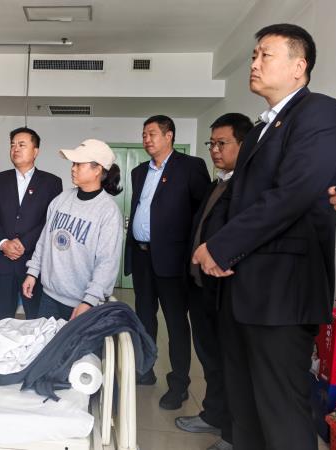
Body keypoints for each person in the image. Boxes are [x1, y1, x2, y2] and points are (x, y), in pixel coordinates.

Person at [192, 24, 336, 450]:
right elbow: (236, 200)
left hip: (282, 294)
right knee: (246, 410)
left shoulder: (319, 112)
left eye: (265, 55)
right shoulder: (260, 131)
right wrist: (208, 249)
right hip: (242, 292)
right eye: (254, 55)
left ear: (299, 66)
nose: (254, 63)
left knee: (281, 411)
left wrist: (220, 247)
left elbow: (292, 194)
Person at [175, 113, 253, 450]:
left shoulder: (246, 188)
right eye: (212, 143)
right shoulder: (217, 183)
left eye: (222, 143)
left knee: (231, 364)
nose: (215, 150)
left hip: (226, 292)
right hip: (202, 288)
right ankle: (213, 414)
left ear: (244, 144)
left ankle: (234, 435)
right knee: (209, 358)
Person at [124, 115, 210, 410]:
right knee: (144, 318)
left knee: (175, 323)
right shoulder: (138, 171)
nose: (146, 139)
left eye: (152, 134)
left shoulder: (190, 167)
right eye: (144, 134)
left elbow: (203, 215)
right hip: (142, 257)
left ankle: (179, 384)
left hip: (173, 261)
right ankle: (145, 370)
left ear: (169, 135)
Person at [22, 139, 123, 321]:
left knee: (76, 342)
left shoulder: (108, 211)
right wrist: (33, 272)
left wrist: (89, 300)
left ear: (97, 169)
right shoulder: (61, 199)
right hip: (49, 296)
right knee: (46, 339)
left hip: (82, 303)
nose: (73, 168)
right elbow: (44, 240)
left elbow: (107, 263)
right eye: (73, 164)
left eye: (79, 164)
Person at [0, 127, 62, 320]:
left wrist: (24, 243)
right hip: (2, 262)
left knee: (36, 320)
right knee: (2, 320)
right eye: (12, 145)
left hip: (34, 263)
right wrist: (4, 243)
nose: (15, 149)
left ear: (35, 151)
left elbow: (50, 221)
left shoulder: (52, 182)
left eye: (21, 145)